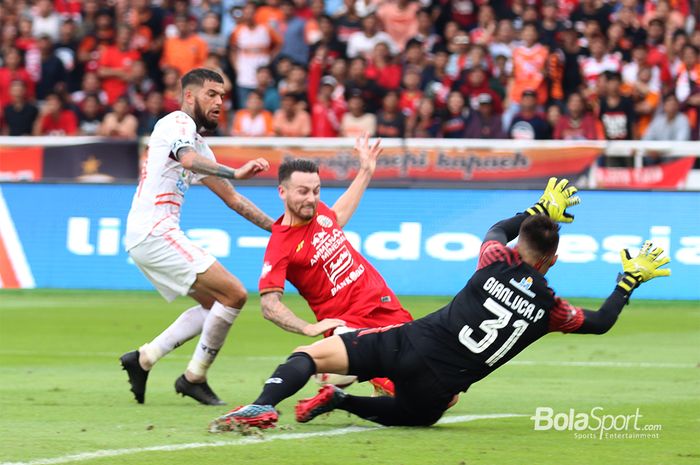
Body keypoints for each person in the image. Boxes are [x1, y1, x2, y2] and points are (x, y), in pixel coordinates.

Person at [211, 177, 671, 430]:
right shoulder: (553, 309)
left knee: (313, 355)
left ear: (522, 247)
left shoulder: (493, 262)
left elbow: (496, 229)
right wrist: (626, 283)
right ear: (553, 259)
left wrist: (538, 209)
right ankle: (341, 401)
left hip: (406, 345)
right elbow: (602, 322)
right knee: (413, 418)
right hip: (439, 387)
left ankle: (262, 404)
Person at [120, 68, 274, 406]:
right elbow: (187, 159)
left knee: (216, 304)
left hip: (150, 234)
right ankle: (194, 378)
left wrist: (278, 228)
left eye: (222, 96)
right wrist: (236, 170)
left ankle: (143, 359)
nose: (220, 102)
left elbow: (233, 199)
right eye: (211, 94)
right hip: (154, 230)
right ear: (189, 96)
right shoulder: (177, 123)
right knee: (234, 294)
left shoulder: (196, 140)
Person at [255, 134, 414, 396]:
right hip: (350, 323)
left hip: (383, 304)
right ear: (282, 192)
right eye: (303, 191)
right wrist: (307, 327)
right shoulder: (280, 246)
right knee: (414, 394)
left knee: (443, 391)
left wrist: (365, 171)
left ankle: (364, 382)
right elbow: (269, 306)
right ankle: (346, 371)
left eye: (316, 191)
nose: (311, 199)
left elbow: (337, 216)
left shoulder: (320, 212)